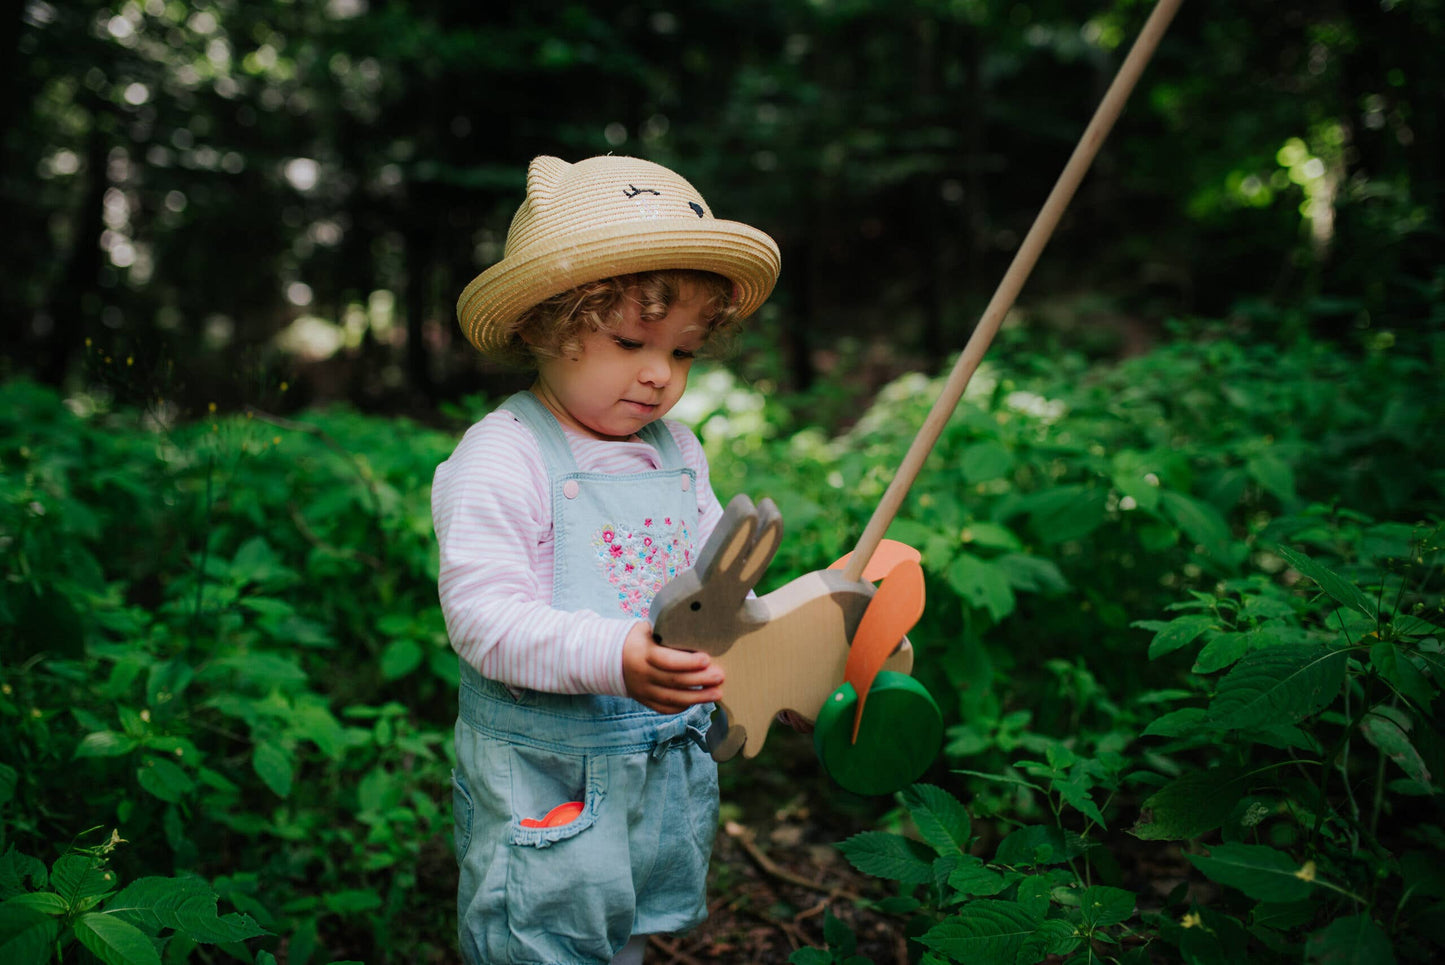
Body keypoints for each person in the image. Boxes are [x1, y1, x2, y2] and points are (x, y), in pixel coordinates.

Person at [432, 154, 781, 965]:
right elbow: (482, 621)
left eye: (685, 352)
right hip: (550, 777)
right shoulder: (504, 455)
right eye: (630, 340)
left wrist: (771, 662)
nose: (660, 375)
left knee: (625, 929)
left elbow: (717, 581)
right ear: (544, 324)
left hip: (657, 775)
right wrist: (614, 653)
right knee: (547, 935)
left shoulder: (676, 451)